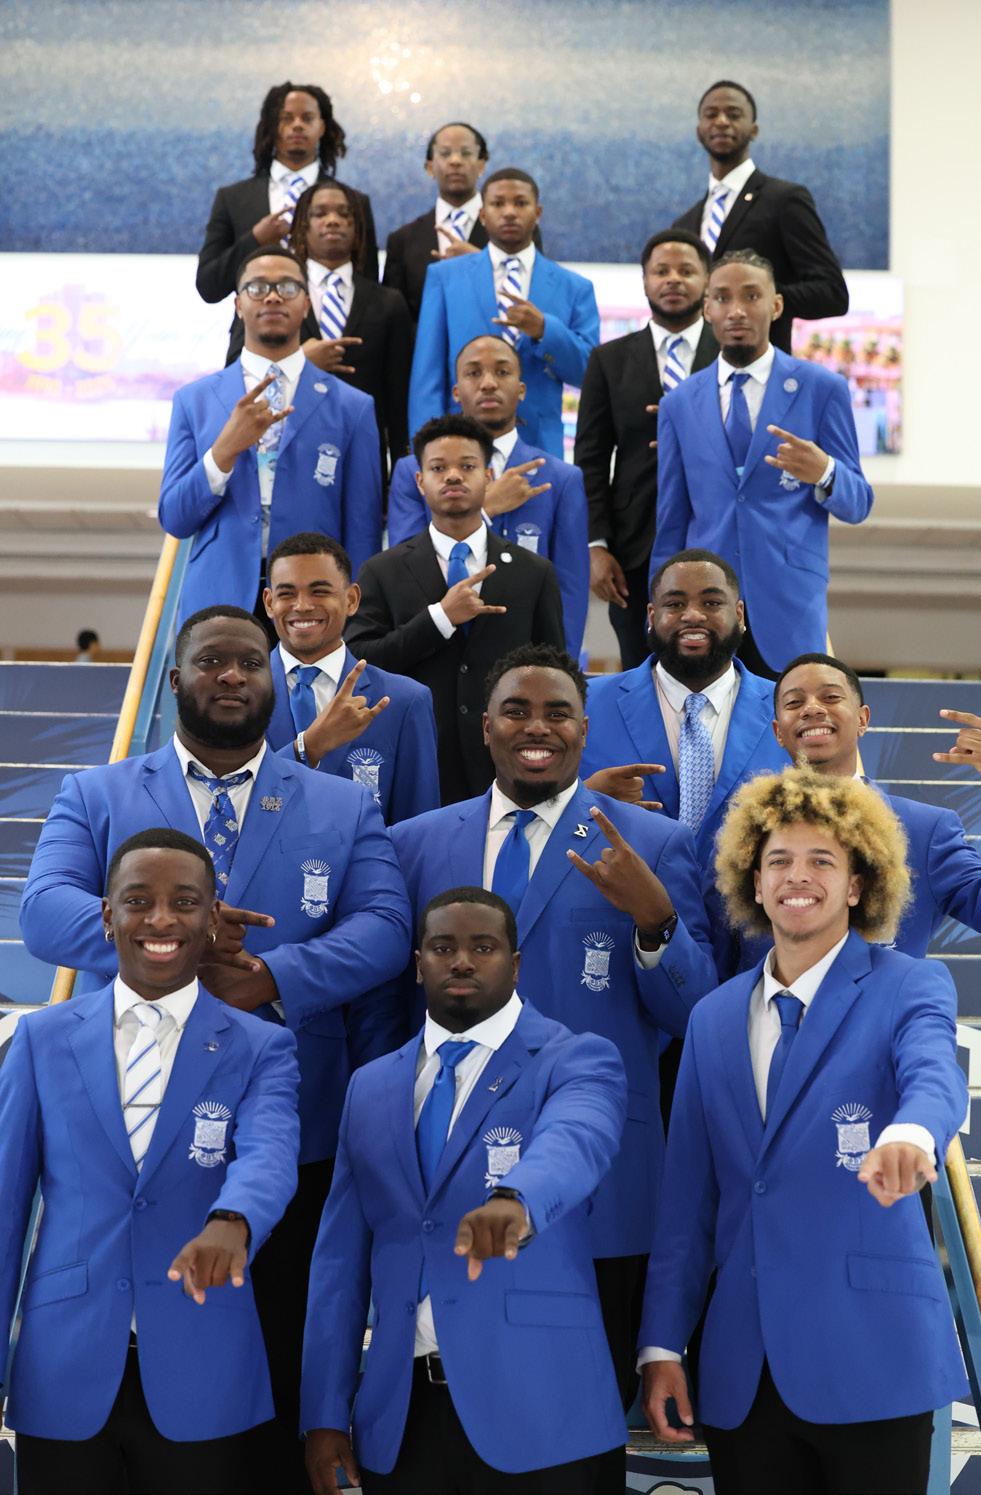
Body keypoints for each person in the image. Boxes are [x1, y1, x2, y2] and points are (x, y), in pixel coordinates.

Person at [19, 606, 411, 1494]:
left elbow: (389, 928)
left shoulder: (343, 803)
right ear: (174, 680)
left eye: (250, 662)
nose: (232, 675)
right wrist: (177, 948)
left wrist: (273, 976)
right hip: (131, 1122)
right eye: (211, 661)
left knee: (270, 1386)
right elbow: (42, 911)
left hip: (292, 1124)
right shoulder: (98, 792)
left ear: (274, 681)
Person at [389, 645, 717, 1404]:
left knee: (585, 1424)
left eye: (558, 712)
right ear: (485, 727)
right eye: (517, 710)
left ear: (584, 729)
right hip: (445, 1173)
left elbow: (697, 1017)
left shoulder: (654, 843)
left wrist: (656, 920)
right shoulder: (415, 843)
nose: (537, 727)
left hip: (602, 1189)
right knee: (451, 1414)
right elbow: (389, 1012)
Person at [640, 767, 968, 1495]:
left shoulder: (910, 984)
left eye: (823, 860)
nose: (798, 876)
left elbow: (933, 1074)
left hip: (876, 1358)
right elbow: (688, 1204)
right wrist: (661, 1344)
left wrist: (912, 1134)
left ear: (857, 884)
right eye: (779, 860)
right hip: (743, 1372)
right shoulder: (711, 1018)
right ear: (753, 883)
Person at [1, 827, 300, 1495]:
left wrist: (233, 1219)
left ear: (212, 918)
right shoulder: (41, 1039)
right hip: (63, 1367)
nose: (161, 920)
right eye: (138, 901)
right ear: (108, 917)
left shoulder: (261, 1046)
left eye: (184, 902)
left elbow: (271, 1154)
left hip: (204, 1366)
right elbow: (4, 1209)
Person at [300, 887, 629, 1494]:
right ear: (417, 963)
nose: (462, 962)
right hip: (401, 1425)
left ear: (516, 963)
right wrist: (324, 1412)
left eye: (483, 947)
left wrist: (516, 1200)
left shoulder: (575, 1058)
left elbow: (576, 1139)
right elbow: (339, 1265)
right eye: (443, 947)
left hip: (543, 1416)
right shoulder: (370, 1086)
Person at [649, 249, 873, 677]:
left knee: (791, 718)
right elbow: (671, 519)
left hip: (789, 601)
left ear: (776, 305)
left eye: (751, 296)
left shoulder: (821, 388)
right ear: (707, 308)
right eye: (723, 298)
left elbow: (859, 502)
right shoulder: (678, 403)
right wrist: (661, 604)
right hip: (705, 606)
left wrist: (825, 471)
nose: (736, 310)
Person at [159, 246, 382, 630]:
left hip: (313, 604)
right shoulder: (194, 400)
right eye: (258, 287)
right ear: (238, 304)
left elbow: (362, 530)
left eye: (288, 287)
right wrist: (224, 450)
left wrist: (356, 621)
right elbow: (176, 518)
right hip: (218, 597)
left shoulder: (353, 407)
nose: (273, 296)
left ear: (307, 304)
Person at [346, 415, 565, 804]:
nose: (452, 476)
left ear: (488, 476)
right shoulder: (382, 570)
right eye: (438, 468)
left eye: (467, 466)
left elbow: (554, 672)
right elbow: (362, 663)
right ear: (419, 481)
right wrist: (440, 619)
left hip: (508, 762)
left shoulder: (534, 572)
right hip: (415, 755)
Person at [768, 653, 981, 959]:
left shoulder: (925, 831)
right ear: (778, 732)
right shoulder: (749, 830)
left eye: (831, 697)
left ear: (862, 719)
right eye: (795, 703)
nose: (812, 708)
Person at [583, 550, 789, 869]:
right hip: (619, 898)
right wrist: (585, 798)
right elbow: (537, 812)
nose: (693, 615)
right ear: (651, 616)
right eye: (675, 604)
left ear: (739, 615)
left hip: (750, 899)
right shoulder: (587, 703)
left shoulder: (787, 708)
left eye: (711, 603)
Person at [388, 334, 589, 655]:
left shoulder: (561, 479)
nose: (488, 383)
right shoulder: (412, 470)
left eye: (502, 372)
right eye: (474, 373)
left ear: (521, 389)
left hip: (523, 659)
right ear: (456, 391)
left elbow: (570, 591)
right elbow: (403, 569)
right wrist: (485, 507)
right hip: (432, 650)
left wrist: (564, 670)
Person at [576, 229, 718, 669]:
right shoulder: (609, 360)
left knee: (717, 668)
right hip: (633, 549)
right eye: (661, 271)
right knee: (642, 670)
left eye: (686, 270)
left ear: (707, 281)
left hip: (715, 535)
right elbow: (591, 460)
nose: (673, 279)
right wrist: (596, 545)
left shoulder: (729, 356)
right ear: (644, 280)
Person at [223, 181, 412, 481]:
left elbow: (399, 401)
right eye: (320, 213)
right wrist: (300, 360)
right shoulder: (269, 294)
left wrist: (401, 478)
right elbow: (235, 367)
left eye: (344, 214)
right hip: (283, 449)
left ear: (358, 229)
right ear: (302, 227)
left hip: (361, 456)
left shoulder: (388, 302)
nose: (333, 220)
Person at [408, 168, 599, 459]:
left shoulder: (574, 287)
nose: (509, 212)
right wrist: (424, 451)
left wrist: (546, 331)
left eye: (520, 203)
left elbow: (588, 373)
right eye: (498, 204)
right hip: (459, 447)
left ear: (537, 213)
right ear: (483, 215)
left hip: (539, 447)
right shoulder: (445, 277)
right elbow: (427, 376)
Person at [263, 530, 440, 823]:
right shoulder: (238, 696)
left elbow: (418, 828)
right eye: (287, 593)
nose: (302, 605)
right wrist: (307, 747)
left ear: (352, 599)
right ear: (269, 603)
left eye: (320, 591)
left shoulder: (404, 701)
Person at [672, 80, 848, 352]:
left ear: (754, 129)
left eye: (733, 114)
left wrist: (755, 296)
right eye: (711, 114)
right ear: (699, 131)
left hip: (762, 367)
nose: (721, 121)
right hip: (700, 370)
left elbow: (831, 293)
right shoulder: (684, 225)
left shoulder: (784, 200)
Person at [196, 81, 377, 337]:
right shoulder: (233, 198)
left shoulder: (354, 203)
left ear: (322, 127)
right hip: (255, 343)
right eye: (286, 118)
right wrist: (255, 240)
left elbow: (368, 289)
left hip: (334, 340)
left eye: (307, 118)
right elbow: (209, 286)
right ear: (272, 125)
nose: (297, 125)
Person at [382, 121, 491, 321]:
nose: (455, 161)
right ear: (430, 167)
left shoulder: (514, 231)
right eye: (445, 153)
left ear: (481, 165)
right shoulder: (402, 240)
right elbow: (394, 319)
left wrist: (480, 261)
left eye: (466, 153)